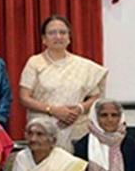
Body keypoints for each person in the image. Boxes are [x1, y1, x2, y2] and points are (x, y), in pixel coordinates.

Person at [19, 14, 107, 151]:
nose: (58, 36)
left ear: (69, 38)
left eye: (62, 32)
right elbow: (24, 98)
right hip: (43, 131)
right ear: (44, 39)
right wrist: (53, 110)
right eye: (52, 33)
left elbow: (96, 95)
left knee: (75, 169)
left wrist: (79, 109)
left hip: (76, 129)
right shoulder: (35, 63)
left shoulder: (83, 65)